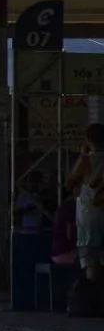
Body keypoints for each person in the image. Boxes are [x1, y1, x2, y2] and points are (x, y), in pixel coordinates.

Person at [65, 124, 104, 313]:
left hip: (91, 216)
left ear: (88, 139)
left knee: (92, 260)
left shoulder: (87, 160)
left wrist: (82, 154)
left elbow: (70, 181)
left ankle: (93, 302)